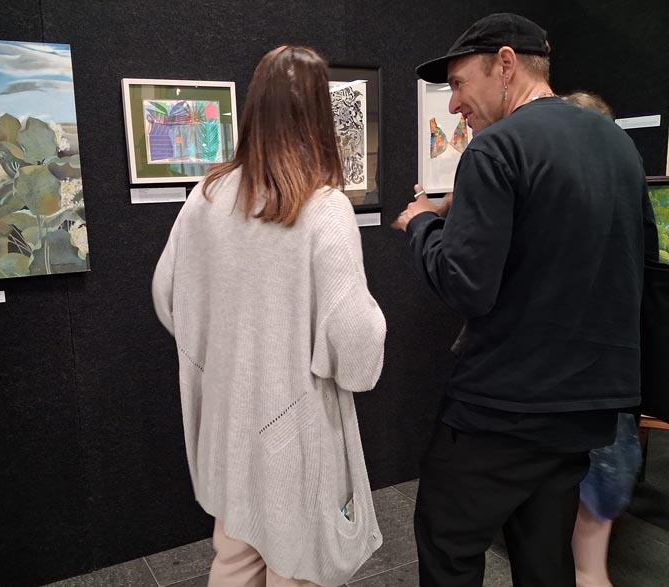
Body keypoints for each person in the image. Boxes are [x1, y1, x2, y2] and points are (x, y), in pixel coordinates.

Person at [391, 13, 658, 587]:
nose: (456, 104)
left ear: (506, 64)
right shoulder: (619, 147)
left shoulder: (494, 149)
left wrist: (420, 228)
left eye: (460, 84)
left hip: (501, 407)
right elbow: (638, 266)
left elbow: (465, 285)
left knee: (447, 542)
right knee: (544, 556)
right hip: (587, 407)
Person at [152, 45, 386, 587]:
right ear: (321, 116)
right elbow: (354, 345)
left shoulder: (204, 196)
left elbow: (168, 295)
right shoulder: (324, 208)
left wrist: (221, 347)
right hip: (296, 432)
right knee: (296, 568)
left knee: (234, 559)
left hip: (228, 421)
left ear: (254, 107)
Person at [562, 91, 647, 587]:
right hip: (611, 385)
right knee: (588, 554)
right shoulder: (624, 201)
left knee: (585, 559)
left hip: (589, 392)